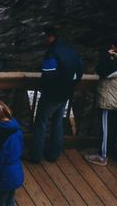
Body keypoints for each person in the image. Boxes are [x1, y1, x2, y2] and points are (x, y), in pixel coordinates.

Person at [30, 25, 83, 163]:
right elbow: (79, 72)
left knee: (41, 123)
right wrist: (70, 86)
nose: (44, 39)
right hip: (66, 93)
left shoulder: (52, 53)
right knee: (58, 122)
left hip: (52, 95)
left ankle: (36, 155)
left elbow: (48, 75)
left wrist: (45, 89)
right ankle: (54, 154)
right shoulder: (72, 51)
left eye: (45, 36)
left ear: (51, 36)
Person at [85, 38, 117, 166]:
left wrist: (105, 55)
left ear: (113, 47)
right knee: (113, 127)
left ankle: (102, 156)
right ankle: (109, 151)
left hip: (109, 100)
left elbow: (101, 70)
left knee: (105, 128)